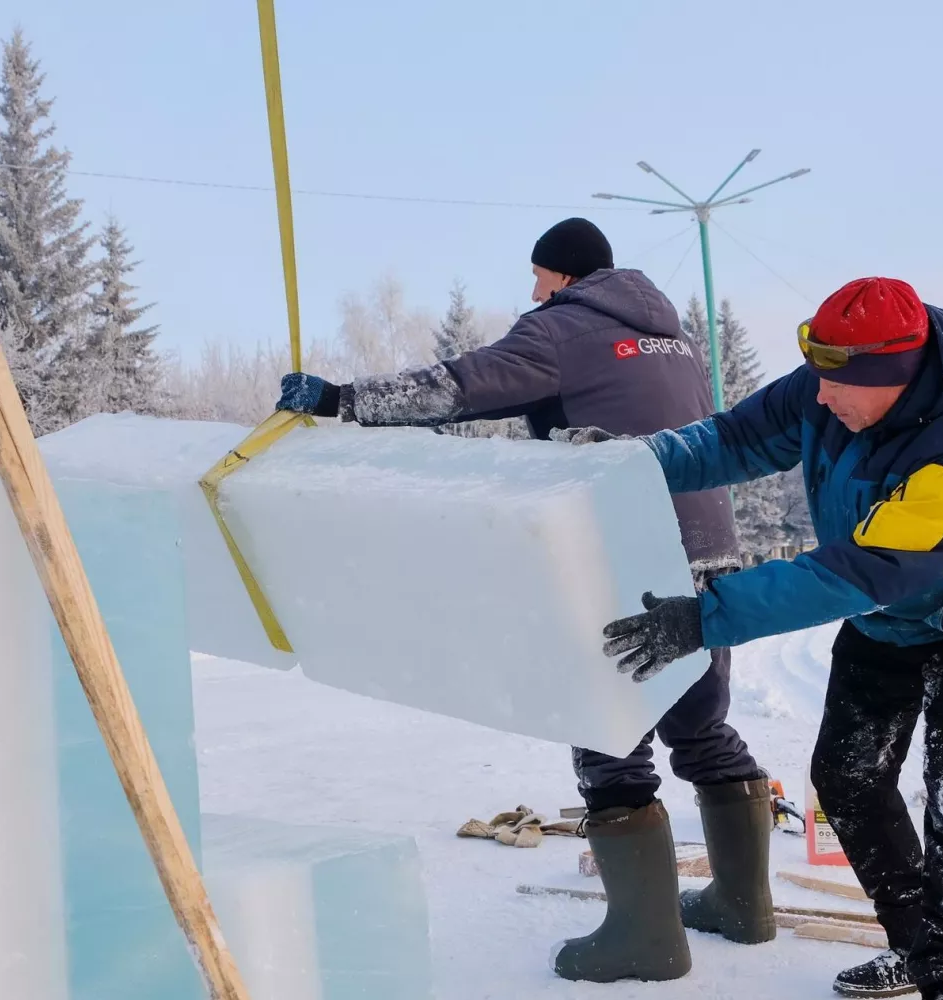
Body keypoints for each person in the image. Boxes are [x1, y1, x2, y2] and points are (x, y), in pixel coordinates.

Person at [275, 218, 774, 983]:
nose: (532, 290)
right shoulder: (670, 334)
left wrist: (341, 398)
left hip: (621, 555)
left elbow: (462, 386)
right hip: (704, 549)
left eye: (538, 275)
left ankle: (646, 939)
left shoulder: (565, 328)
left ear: (565, 276)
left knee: (608, 732)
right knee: (700, 724)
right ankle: (743, 907)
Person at [587, 277, 943, 1000]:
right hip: (886, 603)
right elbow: (733, 439)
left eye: (840, 387)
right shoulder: (832, 382)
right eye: (821, 379)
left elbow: (867, 567)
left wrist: (703, 616)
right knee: (847, 777)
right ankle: (916, 942)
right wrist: (633, 460)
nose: (823, 397)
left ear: (894, 381)